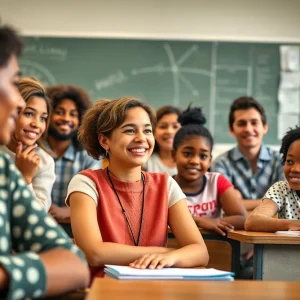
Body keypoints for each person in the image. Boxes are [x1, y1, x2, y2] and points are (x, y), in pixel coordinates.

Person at [67, 97, 209, 281]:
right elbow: (94, 252)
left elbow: (200, 252)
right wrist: (163, 252)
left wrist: (171, 257)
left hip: (155, 288)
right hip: (103, 289)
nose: (141, 138)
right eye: (130, 130)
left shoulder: (166, 185)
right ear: (104, 141)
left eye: (147, 130)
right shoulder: (85, 183)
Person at [0, 25, 89, 300]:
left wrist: (5, 275)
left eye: (42, 117)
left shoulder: (7, 170)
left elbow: (73, 263)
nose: (15, 102)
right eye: (11, 84)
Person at [172, 106, 247, 236]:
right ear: (174, 155)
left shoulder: (217, 181)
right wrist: (199, 221)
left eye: (203, 156)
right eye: (187, 153)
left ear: (210, 160)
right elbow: (161, 221)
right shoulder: (166, 186)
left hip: (216, 251)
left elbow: (243, 218)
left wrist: (215, 221)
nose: (195, 161)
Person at [211, 96, 284, 211]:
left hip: (275, 227)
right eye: (241, 123)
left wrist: (239, 202)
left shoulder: (282, 161)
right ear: (231, 129)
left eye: (254, 123)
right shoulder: (221, 164)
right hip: (235, 228)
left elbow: (286, 200)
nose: (248, 129)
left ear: (265, 127)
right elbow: (225, 205)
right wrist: (272, 201)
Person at [45, 85, 99, 224]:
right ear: (47, 115)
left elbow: (96, 200)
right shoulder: (34, 152)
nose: (66, 118)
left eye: (73, 114)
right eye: (59, 112)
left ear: (81, 120)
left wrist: (67, 211)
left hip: (75, 224)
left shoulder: (88, 157)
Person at [0, 77, 55, 211]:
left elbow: (38, 214)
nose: (36, 124)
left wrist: (25, 178)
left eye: (43, 118)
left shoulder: (44, 162)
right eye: (29, 114)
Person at [245, 127, 300, 232]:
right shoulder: (281, 189)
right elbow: (252, 222)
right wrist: (294, 224)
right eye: (290, 161)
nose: (295, 169)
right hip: (286, 249)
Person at [143, 105, 181, 176]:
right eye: (163, 127)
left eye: (175, 126)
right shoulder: (145, 162)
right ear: (153, 131)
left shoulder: (190, 162)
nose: (169, 131)